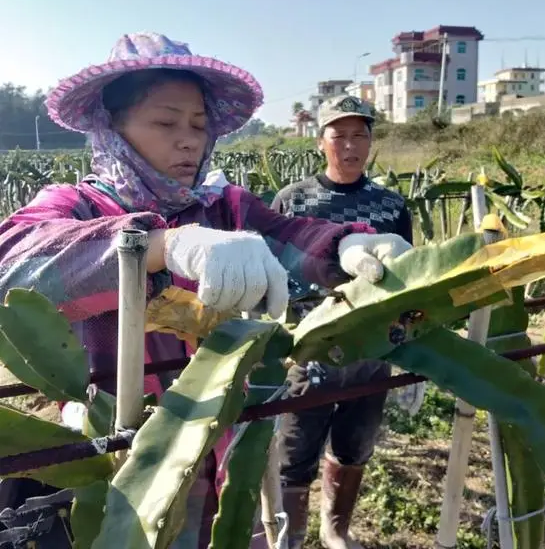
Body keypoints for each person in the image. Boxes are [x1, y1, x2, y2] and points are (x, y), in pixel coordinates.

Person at [0, 33, 412, 548]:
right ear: (113, 127)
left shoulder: (224, 207)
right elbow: (13, 264)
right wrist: (158, 246)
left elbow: (288, 236)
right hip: (113, 454)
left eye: (198, 125)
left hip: (229, 442)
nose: (189, 140)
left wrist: (347, 246)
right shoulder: (76, 208)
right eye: (166, 122)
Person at [271, 95, 414, 549]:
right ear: (321, 142)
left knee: (355, 443)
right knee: (295, 449)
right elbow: (274, 275)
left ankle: (336, 530)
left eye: (360, 135)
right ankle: (291, 536)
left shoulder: (391, 206)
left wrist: (410, 344)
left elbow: (407, 281)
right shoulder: (293, 201)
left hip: (372, 347)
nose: (351, 146)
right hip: (310, 346)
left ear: (371, 142)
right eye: (340, 136)